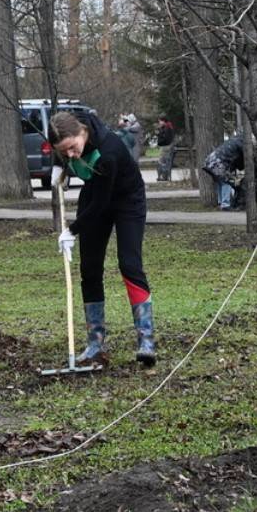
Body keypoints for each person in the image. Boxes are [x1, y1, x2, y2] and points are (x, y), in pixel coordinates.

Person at [48, 108, 155, 367]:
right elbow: (62, 152)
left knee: (129, 264)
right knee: (90, 269)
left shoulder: (109, 151)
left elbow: (101, 204)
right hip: (94, 193)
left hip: (127, 200)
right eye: (64, 151)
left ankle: (146, 341)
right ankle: (95, 344)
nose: (70, 154)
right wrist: (58, 166)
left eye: (72, 148)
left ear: (82, 132)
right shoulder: (66, 130)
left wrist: (72, 231)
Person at [202, 135, 246, 210]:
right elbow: (242, 160)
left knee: (220, 182)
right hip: (218, 163)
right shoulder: (241, 143)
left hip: (210, 161)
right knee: (227, 182)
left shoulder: (233, 140)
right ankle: (225, 204)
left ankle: (221, 202)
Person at [154, 117, 177, 182]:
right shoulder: (167, 127)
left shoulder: (167, 127)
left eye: (160, 121)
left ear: (163, 121)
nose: (159, 123)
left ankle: (164, 177)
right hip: (166, 146)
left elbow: (166, 138)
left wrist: (159, 134)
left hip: (165, 146)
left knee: (163, 162)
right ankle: (164, 176)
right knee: (164, 161)